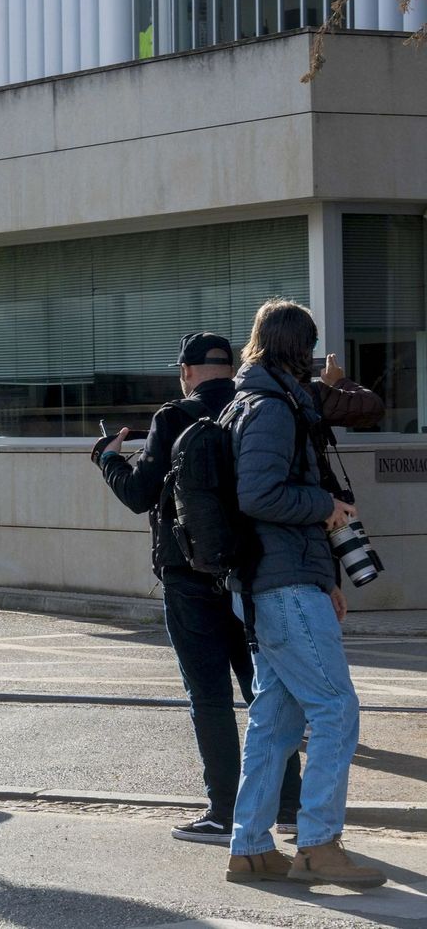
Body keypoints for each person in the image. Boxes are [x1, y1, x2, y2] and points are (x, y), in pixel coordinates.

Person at [95, 332, 300, 844]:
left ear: (185, 370)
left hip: (188, 577)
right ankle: (290, 807)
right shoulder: (255, 408)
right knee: (265, 691)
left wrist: (108, 459)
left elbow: (140, 495)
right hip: (252, 574)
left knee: (208, 695)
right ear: (229, 369)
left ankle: (224, 812)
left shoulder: (174, 417)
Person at [222, 298, 386, 889]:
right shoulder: (271, 408)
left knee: (276, 716)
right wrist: (327, 506)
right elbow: (259, 495)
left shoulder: (257, 399)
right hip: (282, 581)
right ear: (301, 347)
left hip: (278, 581)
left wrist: (325, 580)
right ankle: (318, 845)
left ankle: (250, 848)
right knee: (335, 708)